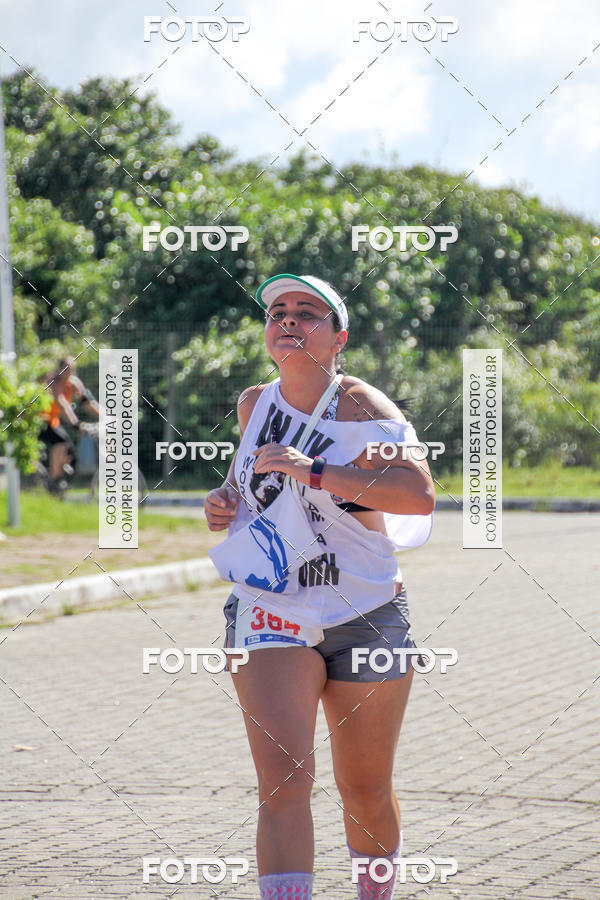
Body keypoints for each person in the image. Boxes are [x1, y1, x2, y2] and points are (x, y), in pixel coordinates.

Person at [205, 274, 435, 900]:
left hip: (366, 609)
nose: (288, 320)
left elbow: (418, 494)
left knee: (364, 786)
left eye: (307, 312)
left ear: (338, 338)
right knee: (283, 779)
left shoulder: (361, 406)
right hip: (270, 605)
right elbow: (249, 487)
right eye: (278, 311)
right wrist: (224, 503)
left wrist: (320, 472)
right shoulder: (256, 404)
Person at [39, 356, 100, 489]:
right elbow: (62, 404)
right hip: (39, 420)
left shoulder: (73, 383)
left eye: (71, 370)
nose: (68, 373)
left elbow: (88, 402)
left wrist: (106, 415)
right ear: (59, 369)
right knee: (60, 441)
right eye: (65, 369)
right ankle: (53, 481)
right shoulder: (52, 381)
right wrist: (77, 424)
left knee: (69, 449)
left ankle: (59, 477)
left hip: (53, 421)